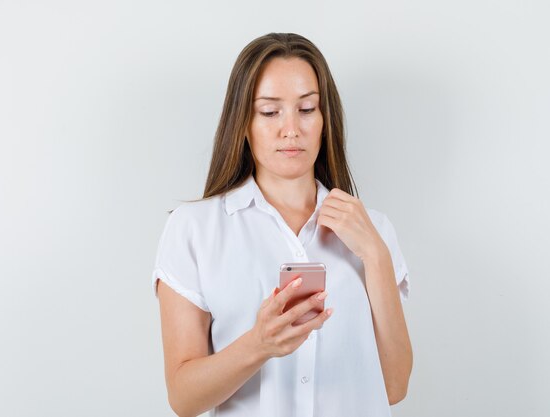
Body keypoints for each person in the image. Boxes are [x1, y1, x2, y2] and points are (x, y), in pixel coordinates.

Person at [151, 32, 412, 417]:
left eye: (306, 109)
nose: (291, 129)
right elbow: (183, 398)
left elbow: (394, 386)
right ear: (243, 123)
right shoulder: (195, 230)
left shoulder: (374, 230)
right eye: (270, 112)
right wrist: (259, 344)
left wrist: (375, 255)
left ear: (326, 120)